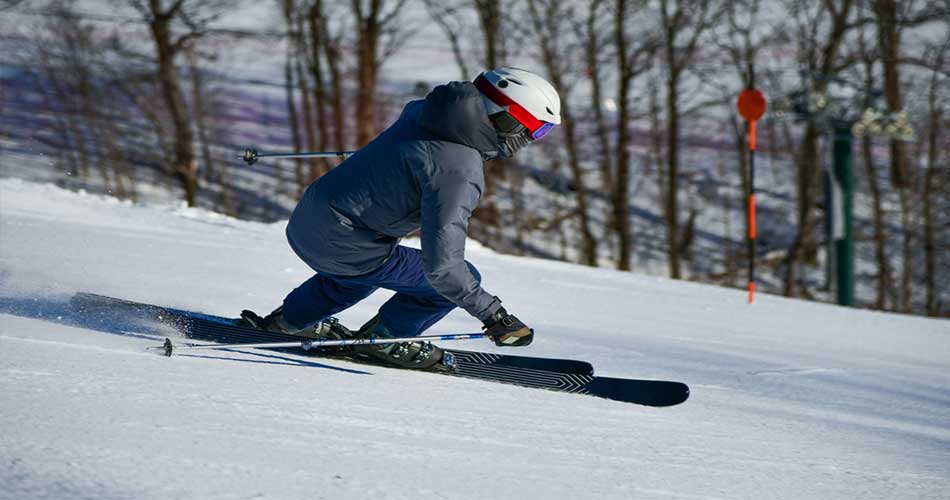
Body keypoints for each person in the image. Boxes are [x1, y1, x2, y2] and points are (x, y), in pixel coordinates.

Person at [241, 67, 561, 369]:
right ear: (506, 118)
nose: (531, 140)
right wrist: (495, 316)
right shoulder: (459, 169)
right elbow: (443, 267)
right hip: (343, 242)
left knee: (361, 270)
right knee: (458, 278)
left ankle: (290, 321)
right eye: (536, 129)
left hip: (307, 222)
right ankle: (385, 340)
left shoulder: (426, 113)